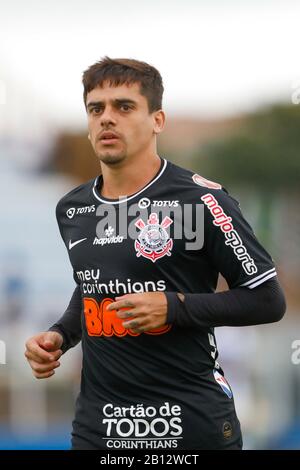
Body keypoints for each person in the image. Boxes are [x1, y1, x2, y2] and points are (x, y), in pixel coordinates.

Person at [24, 57, 286, 450]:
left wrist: (174, 307)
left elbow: (267, 300)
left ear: (157, 120)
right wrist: (60, 335)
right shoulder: (73, 208)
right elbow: (94, 286)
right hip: (100, 430)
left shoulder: (202, 201)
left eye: (124, 107)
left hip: (188, 427)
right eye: (96, 109)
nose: (107, 118)